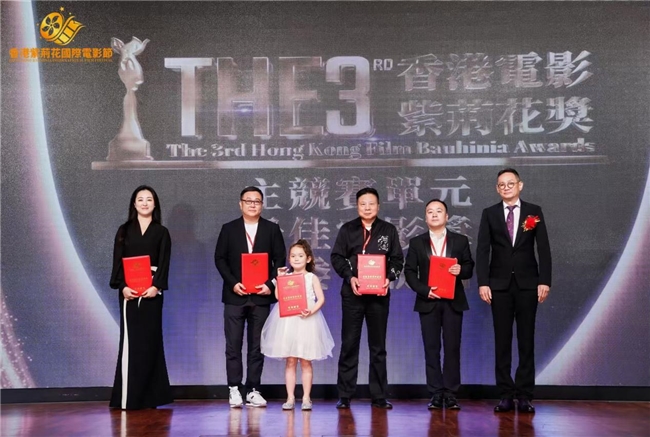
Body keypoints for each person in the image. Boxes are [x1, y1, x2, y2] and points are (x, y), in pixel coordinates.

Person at [476, 168, 552, 413]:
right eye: (501, 184)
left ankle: (525, 395)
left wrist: (544, 280)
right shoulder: (489, 213)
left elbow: (543, 248)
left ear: (520, 185)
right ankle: (505, 395)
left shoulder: (533, 211)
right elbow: (482, 250)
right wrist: (483, 282)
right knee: (502, 341)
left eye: (510, 183)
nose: (506, 187)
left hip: (528, 285)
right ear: (497, 189)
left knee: (526, 340)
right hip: (498, 286)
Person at [330, 187, 404, 410]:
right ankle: (345, 395)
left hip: (379, 296)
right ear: (357, 206)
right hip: (353, 294)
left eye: (371, 203)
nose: (367, 207)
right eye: (363, 204)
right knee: (349, 344)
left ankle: (379, 396)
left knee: (378, 346)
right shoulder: (347, 229)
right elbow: (337, 257)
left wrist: (389, 277)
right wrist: (350, 276)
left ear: (378, 206)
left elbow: (397, 259)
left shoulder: (388, 230)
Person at [215, 186, 287, 408]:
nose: (253, 204)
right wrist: (233, 283)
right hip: (235, 295)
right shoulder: (229, 229)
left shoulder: (272, 229)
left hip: (261, 296)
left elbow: (280, 259)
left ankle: (253, 389)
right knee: (233, 345)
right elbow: (220, 259)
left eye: (257, 201)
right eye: (249, 201)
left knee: (257, 346)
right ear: (240, 204)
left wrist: (270, 284)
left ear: (262, 205)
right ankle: (234, 388)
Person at [404, 199, 474, 410]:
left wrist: (460, 270)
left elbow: (469, 267)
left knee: (452, 348)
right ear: (425, 217)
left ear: (447, 216)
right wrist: (425, 290)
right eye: (430, 212)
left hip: (453, 301)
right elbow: (409, 272)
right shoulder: (417, 242)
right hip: (428, 301)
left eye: (439, 211)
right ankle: (435, 393)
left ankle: (451, 393)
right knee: (431, 348)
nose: (434, 214)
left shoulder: (460, 241)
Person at [109, 185, 173, 409]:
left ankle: (151, 397)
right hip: (129, 293)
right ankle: (129, 397)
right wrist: (123, 286)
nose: (145, 203)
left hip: (152, 293)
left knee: (150, 342)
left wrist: (156, 287)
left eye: (149, 199)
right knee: (131, 343)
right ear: (134, 204)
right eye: (140, 199)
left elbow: (164, 263)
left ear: (155, 204)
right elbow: (117, 262)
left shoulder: (162, 232)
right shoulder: (124, 230)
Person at [260, 239, 335, 411]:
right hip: (288, 321)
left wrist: (311, 311)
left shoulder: (311, 277)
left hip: (307, 321)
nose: (296, 259)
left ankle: (307, 398)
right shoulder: (285, 276)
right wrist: (279, 278)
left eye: (300, 256)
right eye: (293, 256)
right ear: (289, 258)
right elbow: (278, 297)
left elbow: (321, 299)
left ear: (308, 259)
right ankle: (290, 398)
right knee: (290, 361)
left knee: (306, 361)